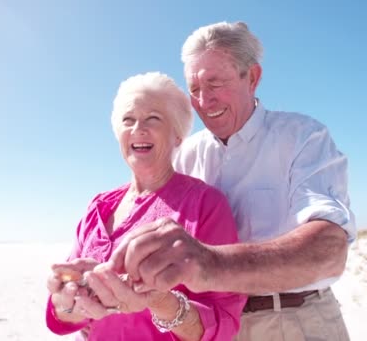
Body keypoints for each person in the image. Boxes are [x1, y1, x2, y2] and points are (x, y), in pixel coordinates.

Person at [108, 22, 357, 340]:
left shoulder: (302, 137)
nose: (203, 100)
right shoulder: (185, 154)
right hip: (212, 328)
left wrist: (210, 264)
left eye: (215, 84)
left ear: (252, 77)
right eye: (194, 89)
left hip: (293, 321)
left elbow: (329, 250)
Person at [45, 71, 246, 341]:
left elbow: (224, 324)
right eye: (128, 120)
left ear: (177, 135)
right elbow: (63, 318)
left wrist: (160, 301)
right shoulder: (98, 207)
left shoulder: (204, 204)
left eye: (153, 118)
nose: (138, 128)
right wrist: (67, 300)